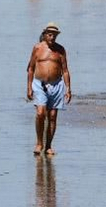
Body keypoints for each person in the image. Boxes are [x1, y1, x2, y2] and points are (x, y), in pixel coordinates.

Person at [26, 23, 72, 156]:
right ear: (45, 35)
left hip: (57, 85)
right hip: (40, 84)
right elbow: (30, 68)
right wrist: (29, 87)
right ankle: (39, 143)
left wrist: (68, 89)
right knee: (40, 113)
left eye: (54, 35)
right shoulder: (37, 48)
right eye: (50, 34)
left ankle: (48, 146)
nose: (52, 37)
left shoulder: (60, 50)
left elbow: (65, 70)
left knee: (52, 116)